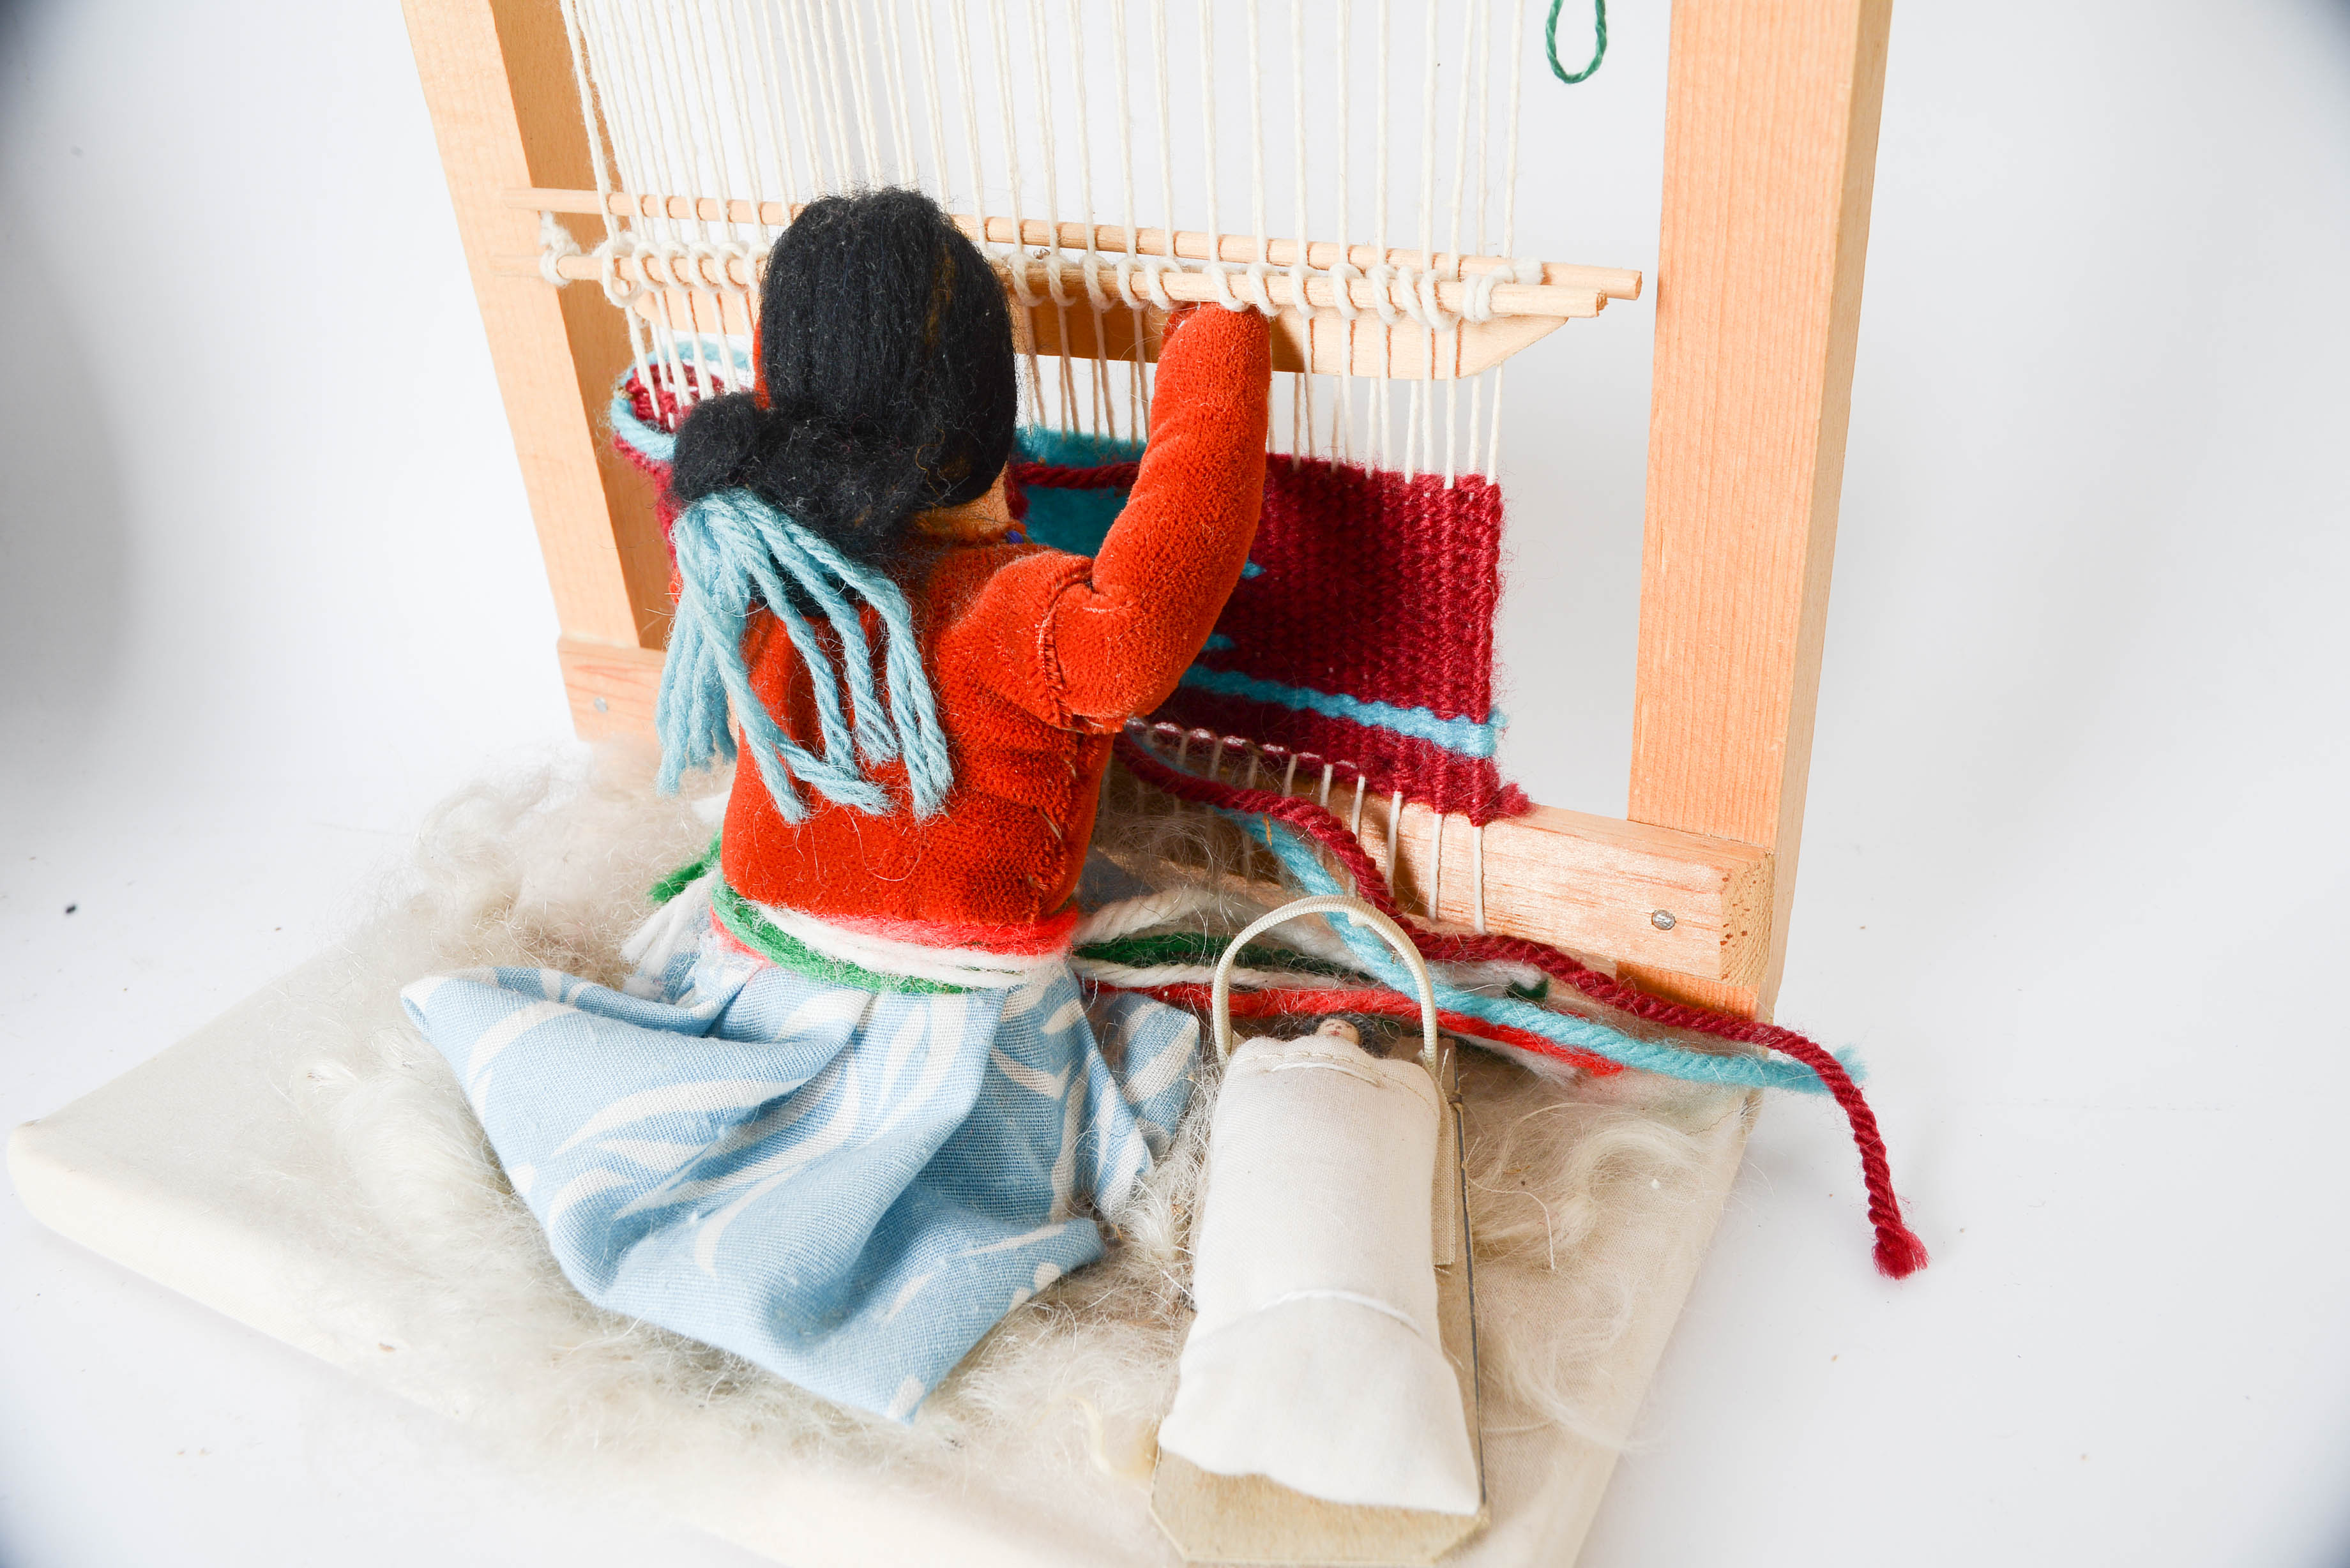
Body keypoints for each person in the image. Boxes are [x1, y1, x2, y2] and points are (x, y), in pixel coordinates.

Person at [402, 188, 1271, 1423]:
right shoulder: (1012, 613)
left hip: (746, 967)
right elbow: (1146, 616)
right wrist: (1217, 360)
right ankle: (817, 1269)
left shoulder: (759, 569)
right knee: (1015, 1148)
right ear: (981, 416)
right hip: (934, 1032)